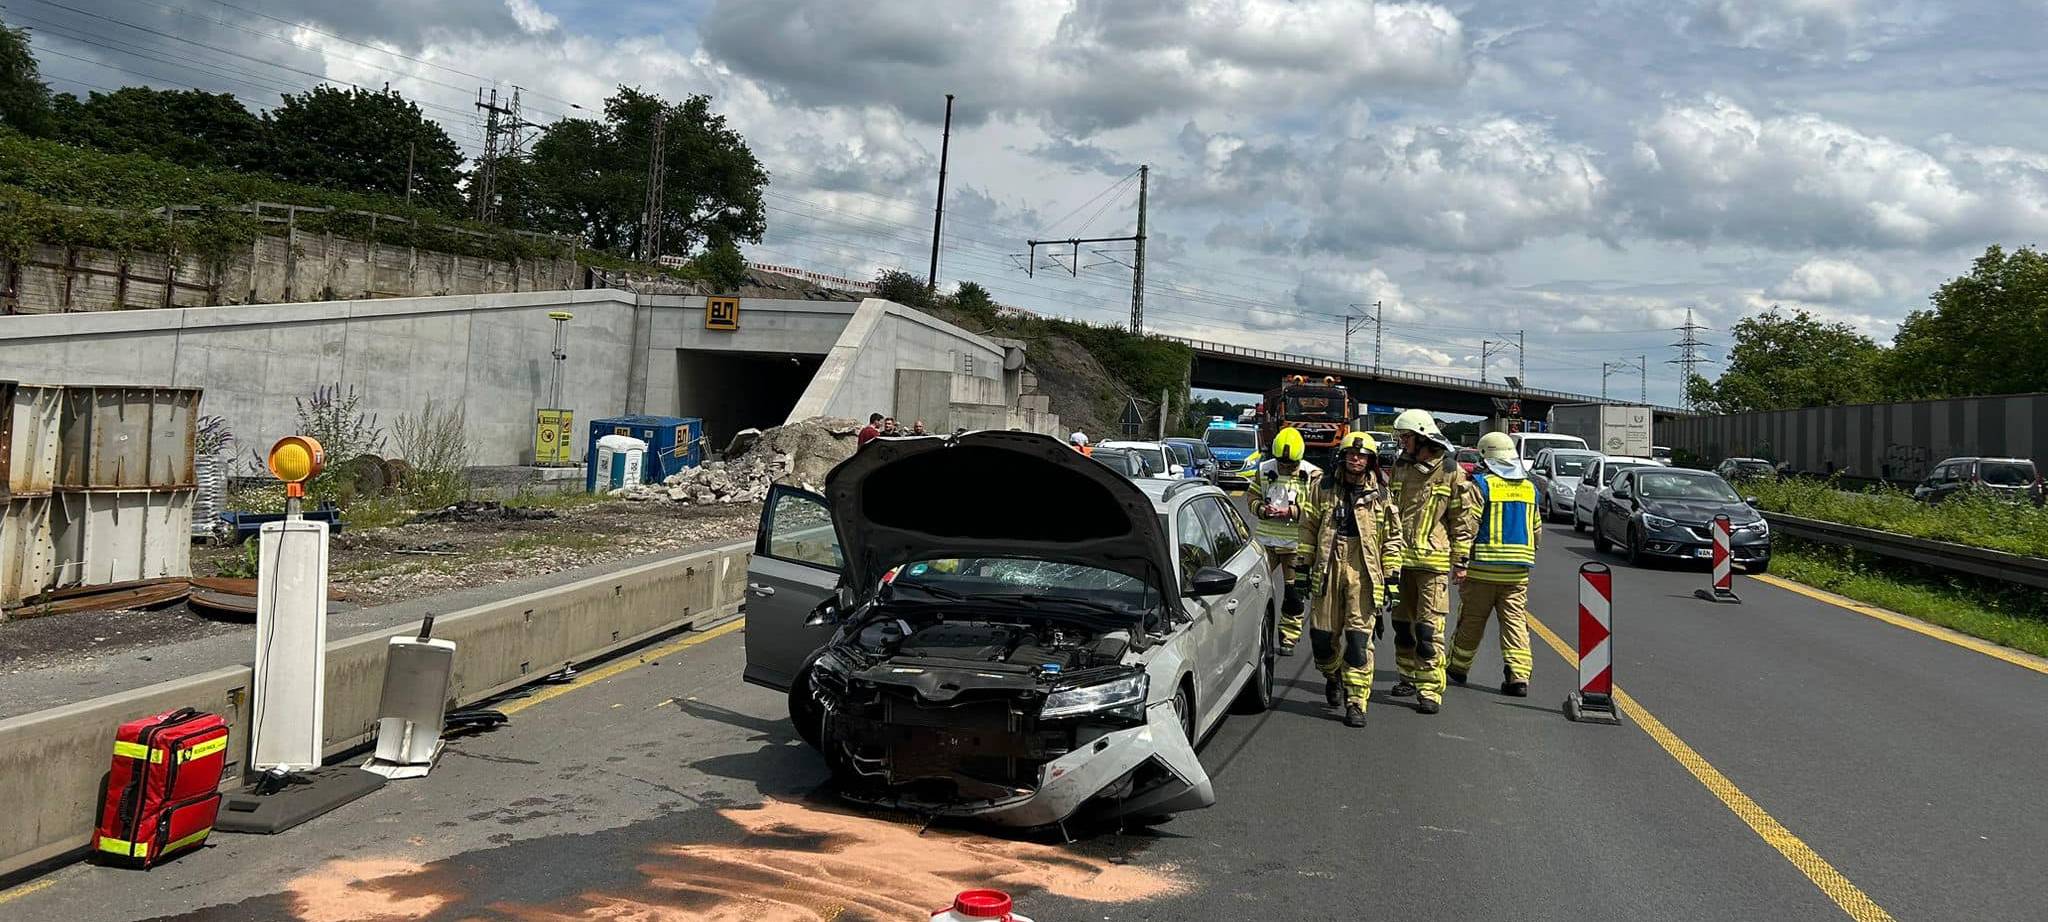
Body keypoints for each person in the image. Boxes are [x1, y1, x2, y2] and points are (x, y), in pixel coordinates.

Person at [1297, 431, 1403, 728]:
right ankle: (1333, 675)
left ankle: (1356, 702)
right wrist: (1303, 568)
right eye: (1351, 454)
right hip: (1328, 568)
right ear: (1342, 457)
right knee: (1321, 639)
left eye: (1362, 455)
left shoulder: (1381, 494)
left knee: (1358, 641)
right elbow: (1308, 528)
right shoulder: (1323, 487)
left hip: (1364, 572)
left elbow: (1392, 539)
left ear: (1371, 460)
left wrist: (1392, 576)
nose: (1356, 459)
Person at [1387, 408, 1477, 715]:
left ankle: (1429, 689)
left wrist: (1461, 561)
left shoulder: (1451, 471)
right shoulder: (1400, 466)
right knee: (1401, 625)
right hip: (1400, 561)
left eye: (1406, 437)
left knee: (1429, 630)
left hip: (1433, 563)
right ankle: (1407, 678)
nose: (1401, 443)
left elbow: (1463, 519)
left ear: (1422, 437)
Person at [1447, 431, 1538, 697]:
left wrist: (1460, 562)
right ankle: (1518, 677)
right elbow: (1536, 528)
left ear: (1485, 456)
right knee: (1515, 624)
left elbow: (1467, 527)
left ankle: (1458, 668)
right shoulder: (1528, 487)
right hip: (1517, 572)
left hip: (1483, 569)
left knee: (1472, 620)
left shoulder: (1481, 485)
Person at [1252, 427, 1321, 655]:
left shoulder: (1313, 475)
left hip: (1296, 544)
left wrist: (1292, 512)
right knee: (1252, 589)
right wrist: (1262, 509)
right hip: (1266, 542)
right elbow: (1252, 496)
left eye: (1291, 465)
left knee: (1294, 594)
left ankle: (1288, 638)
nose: (1286, 468)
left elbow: (1319, 509)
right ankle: (1252, 634)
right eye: (1282, 464)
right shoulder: (1264, 470)